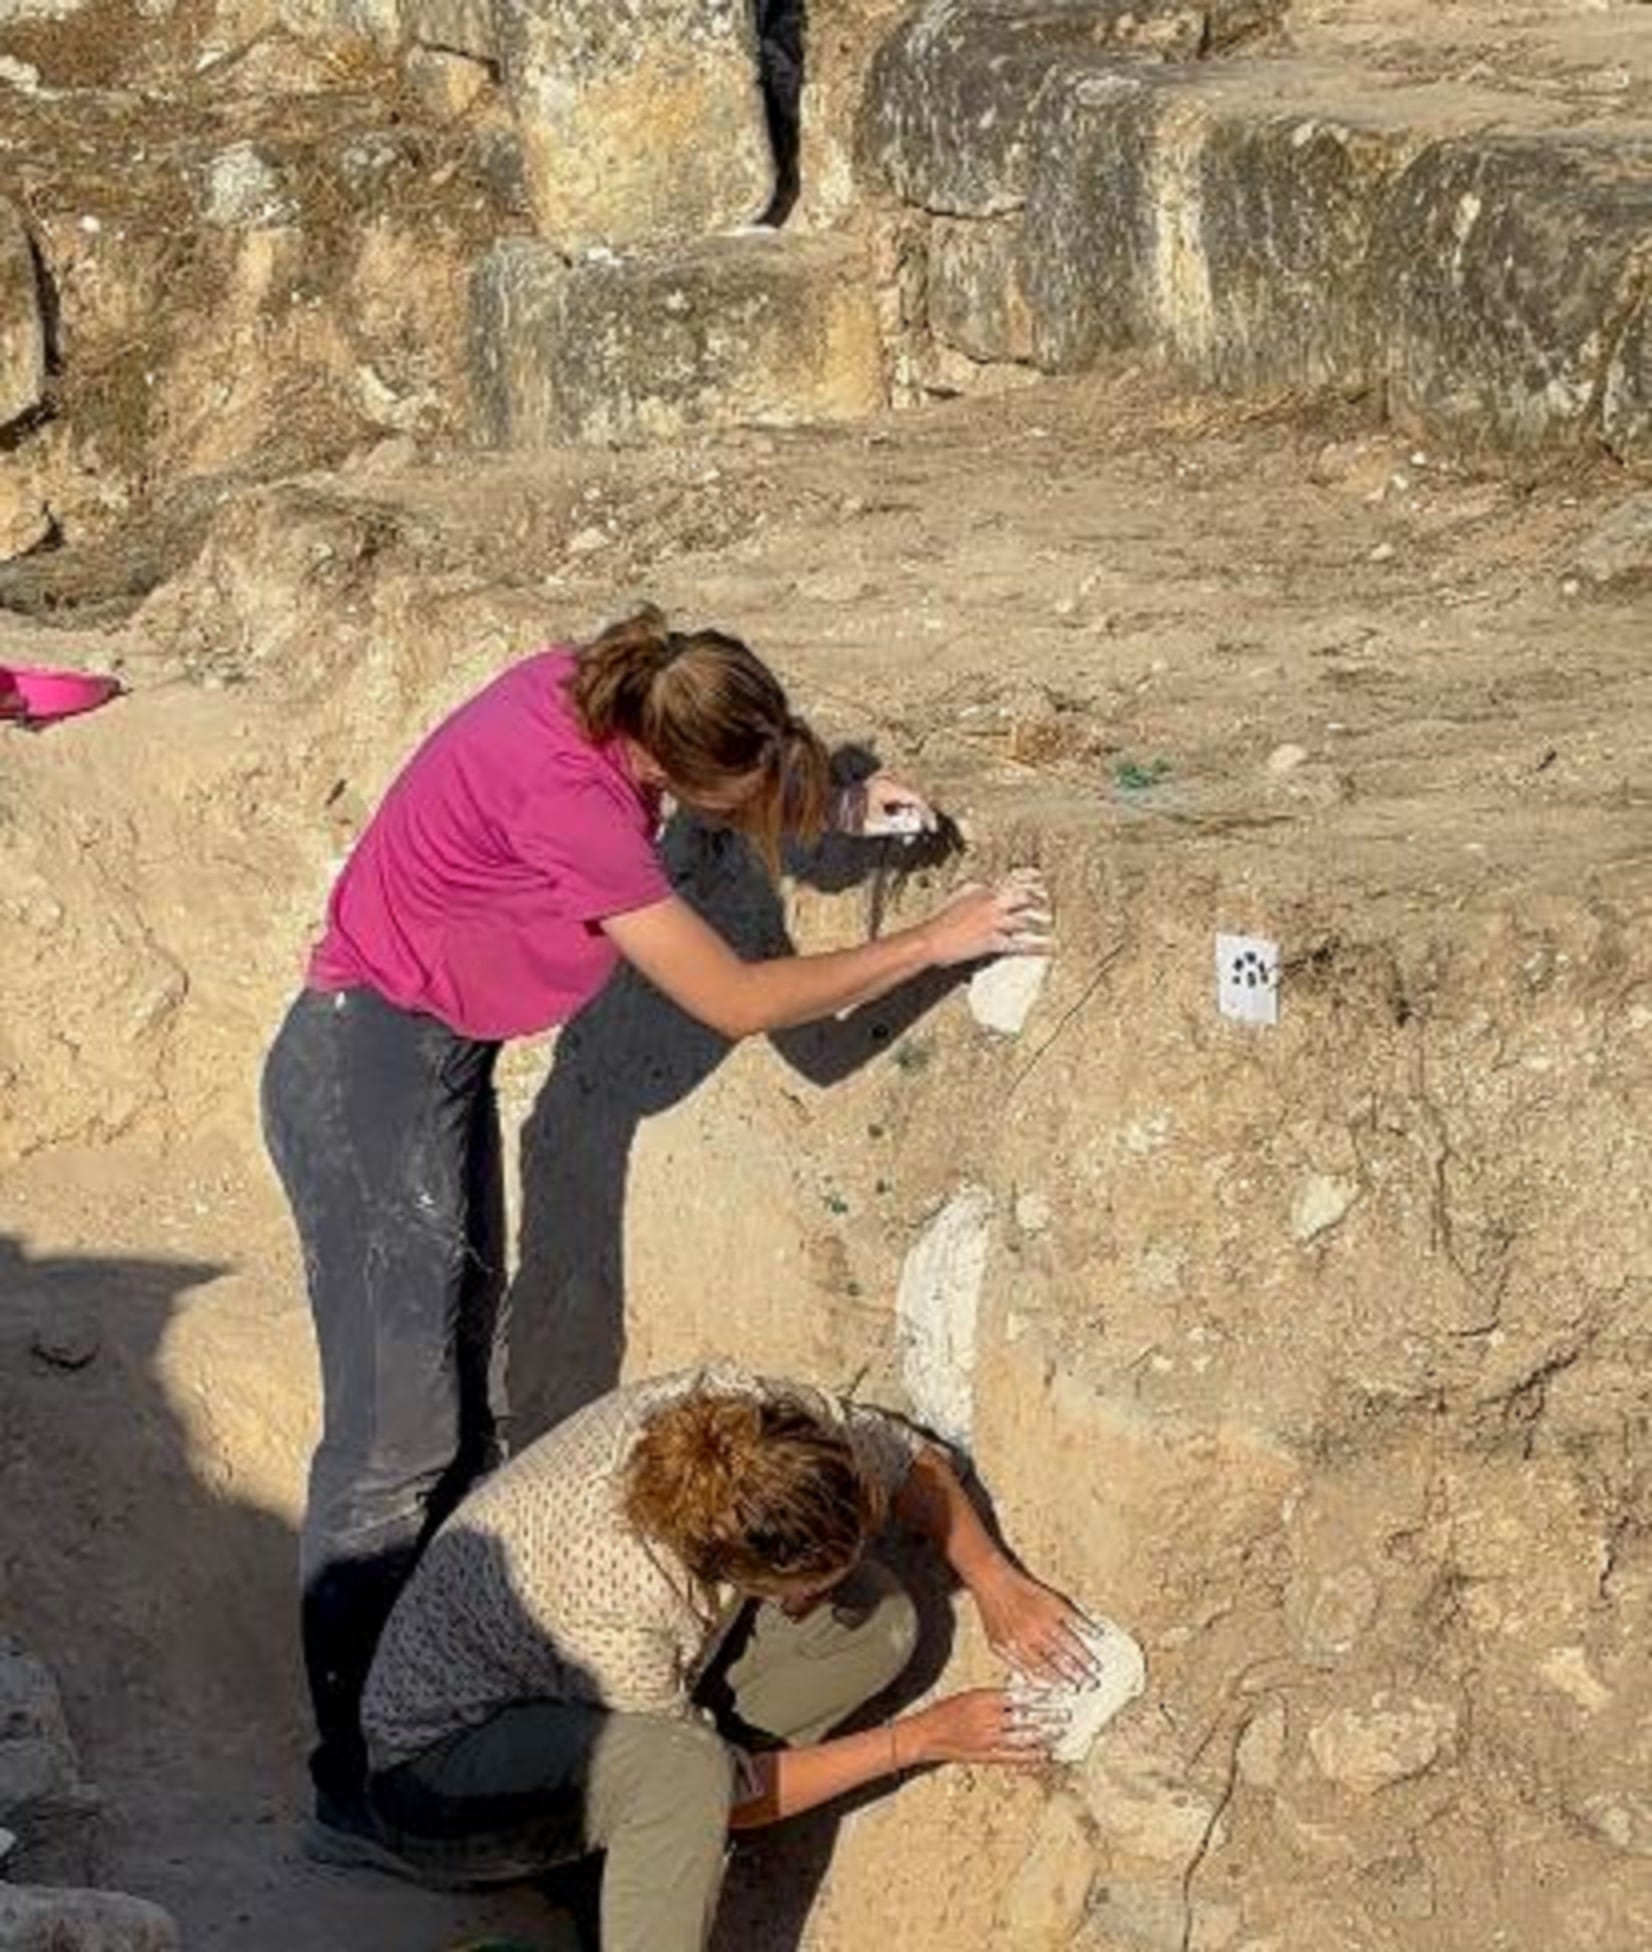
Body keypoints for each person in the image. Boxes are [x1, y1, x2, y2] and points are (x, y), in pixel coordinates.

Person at [260, 606, 1051, 1841]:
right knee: (392, 1448)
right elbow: (737, 998)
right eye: (739, 791)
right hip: (366, 1067)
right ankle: (363, 1779)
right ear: (662, 764)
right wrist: (937, 940)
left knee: (452, 1404)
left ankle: (455, 1700)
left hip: (425, 1049)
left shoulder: (622, 684)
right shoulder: (565, 796)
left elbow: (724, 752)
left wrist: (829, 808)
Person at [325, 1362, 1098, 1951]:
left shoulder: (762, 1424)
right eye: (802, 1585)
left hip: (584, 1709)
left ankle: (637, 1863)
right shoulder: (620, 1589)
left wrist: (994, 1579)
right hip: (439, 1778)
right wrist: (919, 1740)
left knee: (877, 1620)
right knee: (683, 1773)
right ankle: (618, 1882)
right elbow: (708, 1785)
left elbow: (904, 1463)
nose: (814, 1596)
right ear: (732, 1570)